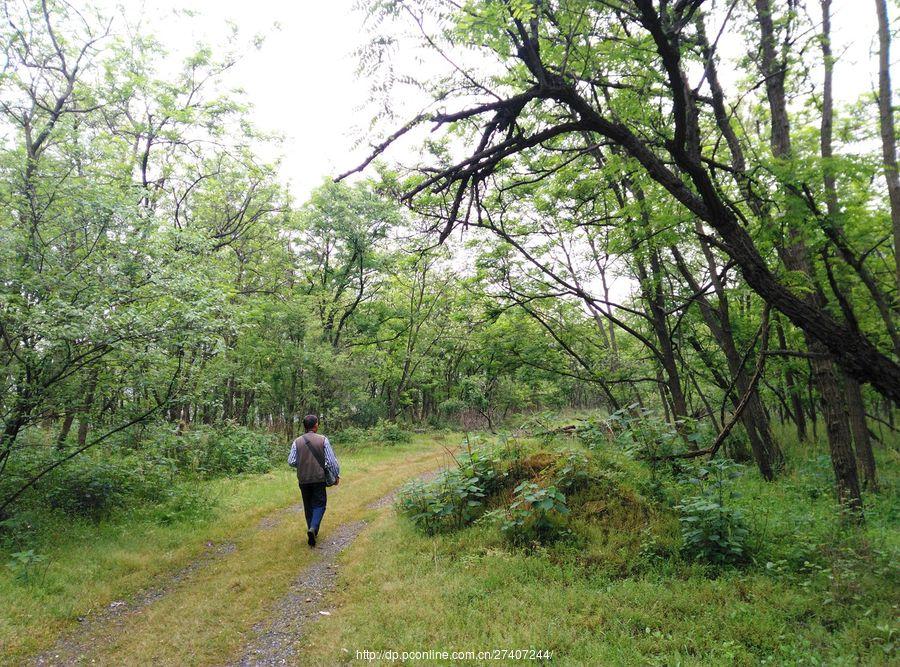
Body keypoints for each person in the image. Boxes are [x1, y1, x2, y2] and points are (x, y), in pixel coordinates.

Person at [287, 414, 340, 546]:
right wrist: (336, 475)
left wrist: (303, 463)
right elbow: (331, 461)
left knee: (308, 505)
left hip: (303, 479)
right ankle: (313, 528)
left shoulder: (296, 441)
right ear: (316, 425)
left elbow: (291, 461)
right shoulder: (323, 440)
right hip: (318, 478)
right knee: (320, 504)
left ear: (305, 426)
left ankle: (312, 531)